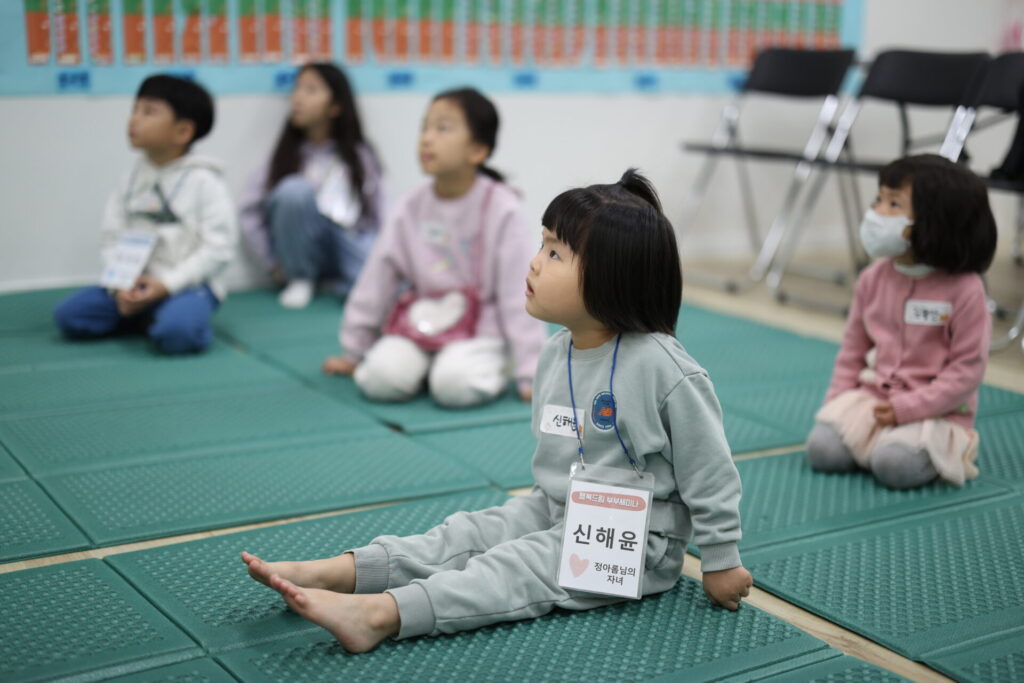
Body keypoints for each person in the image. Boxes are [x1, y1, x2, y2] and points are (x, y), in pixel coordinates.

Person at [241, 169, 751, 653]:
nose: (535, 263)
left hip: (633, 543)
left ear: (613, 278)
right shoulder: (557, 352)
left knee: (514, 567)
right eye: (542, 245)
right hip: (556, 508)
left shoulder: (664, 370)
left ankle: (380, 615)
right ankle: (346, 572)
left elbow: (709, 469)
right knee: (467, 533)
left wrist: (721, 559)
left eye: (556, 253)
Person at [322, 87, 546, 407]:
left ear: (478, 150)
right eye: (424, 127)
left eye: (442, 128)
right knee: (379, 379)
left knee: (454, 385)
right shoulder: (410, 206)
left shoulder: (502, 207)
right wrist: (354, 349)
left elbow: (517, 292)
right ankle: (428, 366)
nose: (427, 138)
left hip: (479, 329)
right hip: (420, 322)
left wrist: (531, 371)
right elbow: (378, 277)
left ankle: (461, 367)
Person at [806, 154, 998, 489]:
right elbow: (853, 350)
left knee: (893, 466)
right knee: (822, 451)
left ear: (937, 220)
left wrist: (906, 408)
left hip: (937, 412)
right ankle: (878, 442)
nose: (877, 212)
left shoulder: (966, 290)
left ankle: (947, 448)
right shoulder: (873, 278)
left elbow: (966, 372)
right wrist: (836, 403)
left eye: (893, 204)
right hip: (875, 401)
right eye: (879, 199)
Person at [53, 74, 237, 354]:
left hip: (187, 285)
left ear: (183, 132)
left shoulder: (205, 182)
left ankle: (160, 317)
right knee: (69, 316)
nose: (134, 119)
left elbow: (219, 250)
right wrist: (120, 286)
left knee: (178, 334)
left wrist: (167, 285)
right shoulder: (130, 178)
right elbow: (111, 236)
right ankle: (145, 313)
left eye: (149, 112)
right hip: (132, 282)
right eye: (134, 109)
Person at [239, 62, 386, 309]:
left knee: (384, 284)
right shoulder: (286, 156)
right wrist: (271, 263)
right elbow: (249, 211)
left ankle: (342, 282)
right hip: (300, 251)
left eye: (311, 90)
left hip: (344, 241)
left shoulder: (359, 155)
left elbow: (382, 211)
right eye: (297, 89)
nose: (298, 98)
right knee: (293, 191)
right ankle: (301, 278)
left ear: (336, 106)